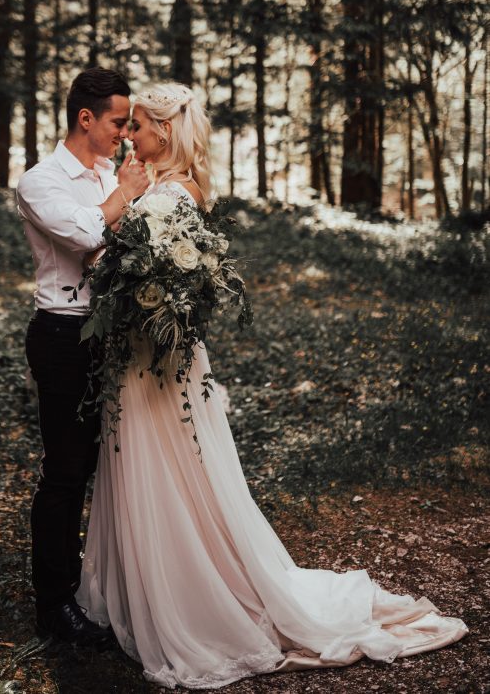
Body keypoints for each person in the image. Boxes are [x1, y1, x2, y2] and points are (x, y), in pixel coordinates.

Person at [76, 82, 468, 689]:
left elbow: (130, 268)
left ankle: (190, 595)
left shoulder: (173, 196)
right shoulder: (156, 188)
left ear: (166, 131)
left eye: (141, 126)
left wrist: (116, 272)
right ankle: (140, 589)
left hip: (155, 359)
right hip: (143, 354)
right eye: (128, 126)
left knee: (170, 467)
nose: (131, 135)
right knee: (151, 464)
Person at [16, 67, 149, 646]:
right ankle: (54, 605)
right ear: (86, 118)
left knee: (108, 469)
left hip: (112, 336)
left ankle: (107, 588)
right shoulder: (41, 181)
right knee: (66, 474)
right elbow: (87, 236)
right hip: (63, 337)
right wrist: (126, 195)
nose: (125, 132)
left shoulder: (108, 173)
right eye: (119, 122)